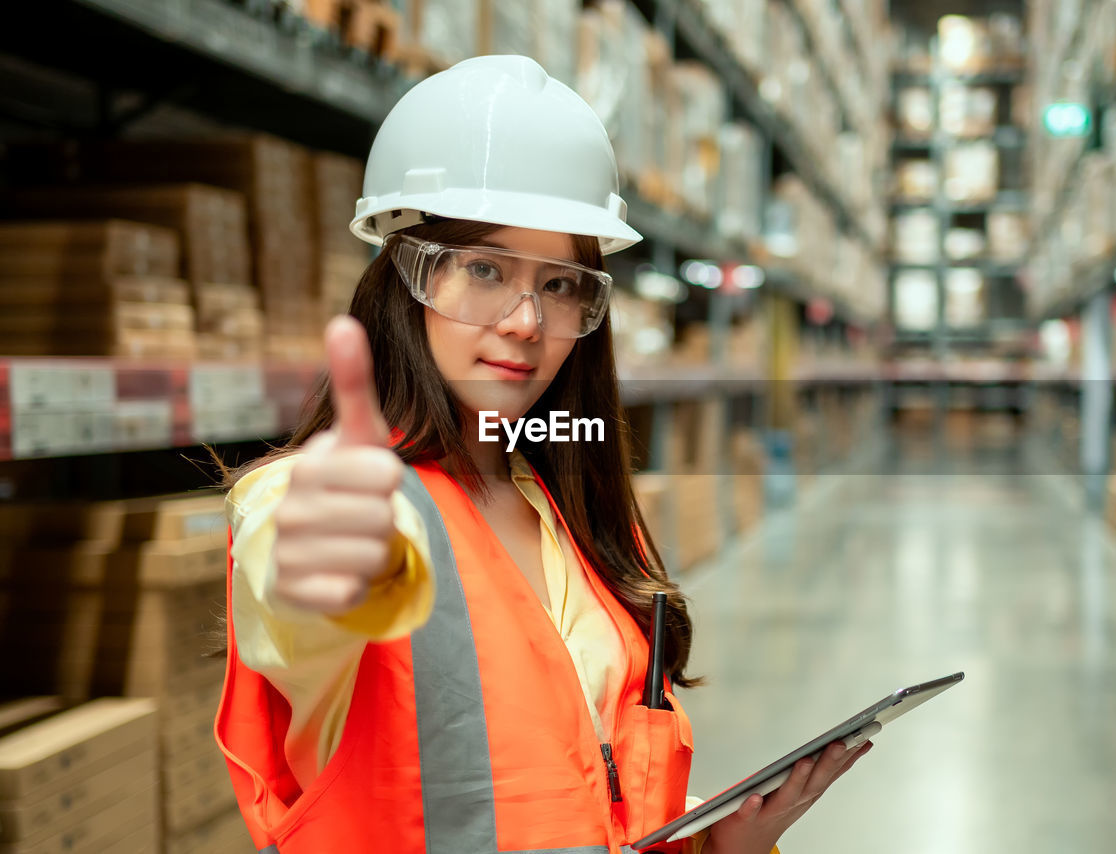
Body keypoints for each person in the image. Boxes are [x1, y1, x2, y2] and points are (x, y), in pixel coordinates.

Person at [215, 55, 871, 854]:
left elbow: (570, 802)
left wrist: (709, 843)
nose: (526, 320)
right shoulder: (313, 506)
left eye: (560, 284)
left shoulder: (569, 509)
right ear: (403, 277)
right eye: (483, 269)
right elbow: (301, 587)